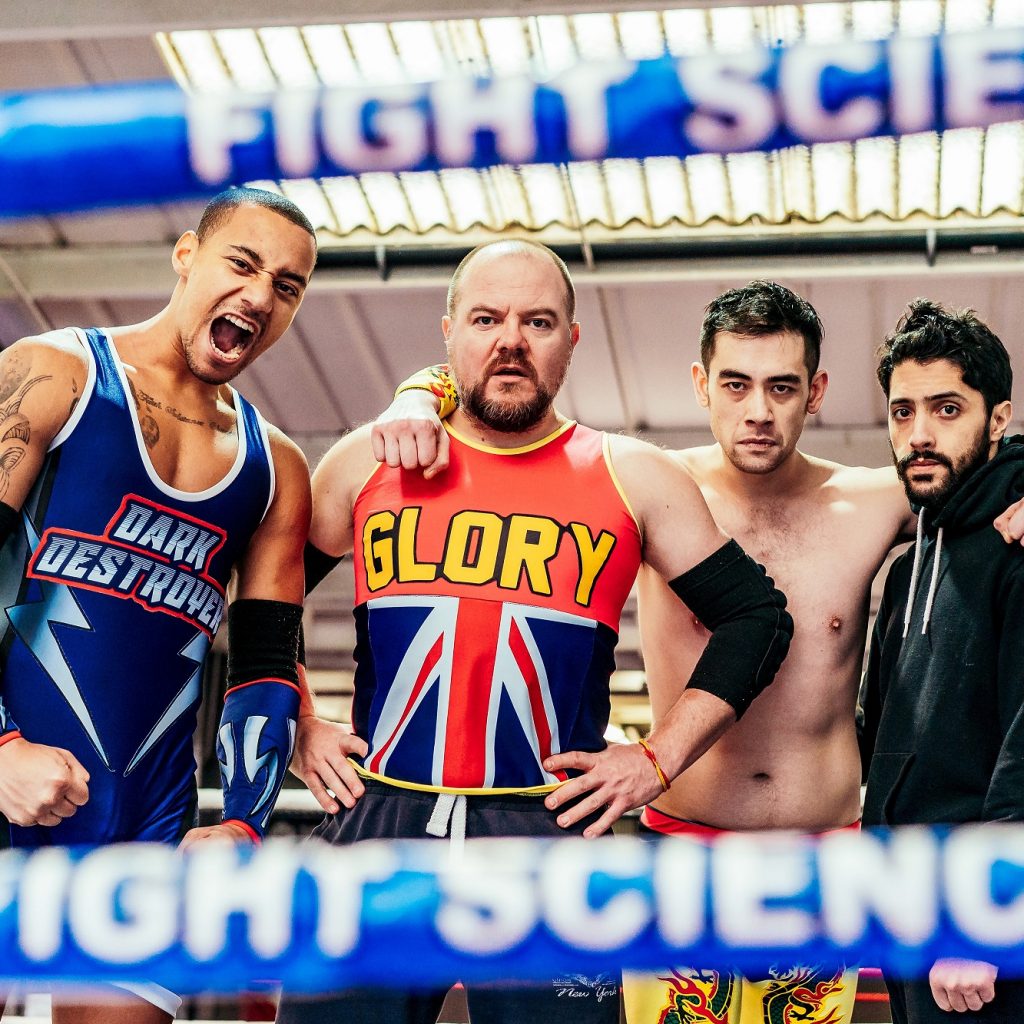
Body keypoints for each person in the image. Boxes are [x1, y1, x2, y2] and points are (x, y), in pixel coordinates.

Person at [374, 280, 1024, 1024]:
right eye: (736, 384)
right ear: (700, 384)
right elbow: (514, 401)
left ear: (814, 392)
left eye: (781, 387)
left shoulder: (877, 498)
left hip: (821, 864)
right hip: (681, 853)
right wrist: (415, 396)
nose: (757, 411)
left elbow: (974, 460)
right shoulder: (643, 482)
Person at [279, 240, 793, 1024]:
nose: (510, 340)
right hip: (377, 825)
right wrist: (300, 720)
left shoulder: (632, 474)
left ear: (571, 341)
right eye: (486, 319)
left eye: (538, 321)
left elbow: (756, 618)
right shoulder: (371, 459)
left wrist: (657, 758)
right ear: (450, 332)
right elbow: (263, 599)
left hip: (545, 830)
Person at [0, 187, 317, 1024]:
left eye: (286, 287)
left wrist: (246, 824)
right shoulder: (55, 373)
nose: (258, 296)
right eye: (241, 264)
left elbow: (262, 664)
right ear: (186, 254)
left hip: (139, 833)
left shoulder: (274, 467)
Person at [860, 300, 1024, 1023]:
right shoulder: (908, 565)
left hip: (980, 925)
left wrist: (989, 915)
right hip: (908, 907)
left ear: (998, 418)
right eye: (902, 412)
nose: (919, 435)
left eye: (947, 408)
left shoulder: (1017, 552)